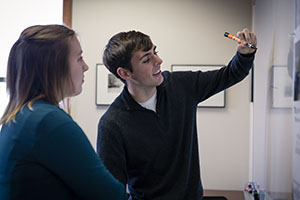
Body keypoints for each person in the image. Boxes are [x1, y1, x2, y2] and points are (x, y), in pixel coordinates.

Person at [97, 28, 257, 200]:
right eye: (146, 59)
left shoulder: (180, 86)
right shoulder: (112, 124)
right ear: (125, 73)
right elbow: (112, 193)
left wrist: (245, 55)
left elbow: (230, 74)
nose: (158, 60)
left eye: (155, 52)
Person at [0, 24, 128, 200]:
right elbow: (111, 195)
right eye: (79, 58)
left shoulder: (20, 116)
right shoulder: (47, 121)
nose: (85, 66)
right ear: (55, 66)